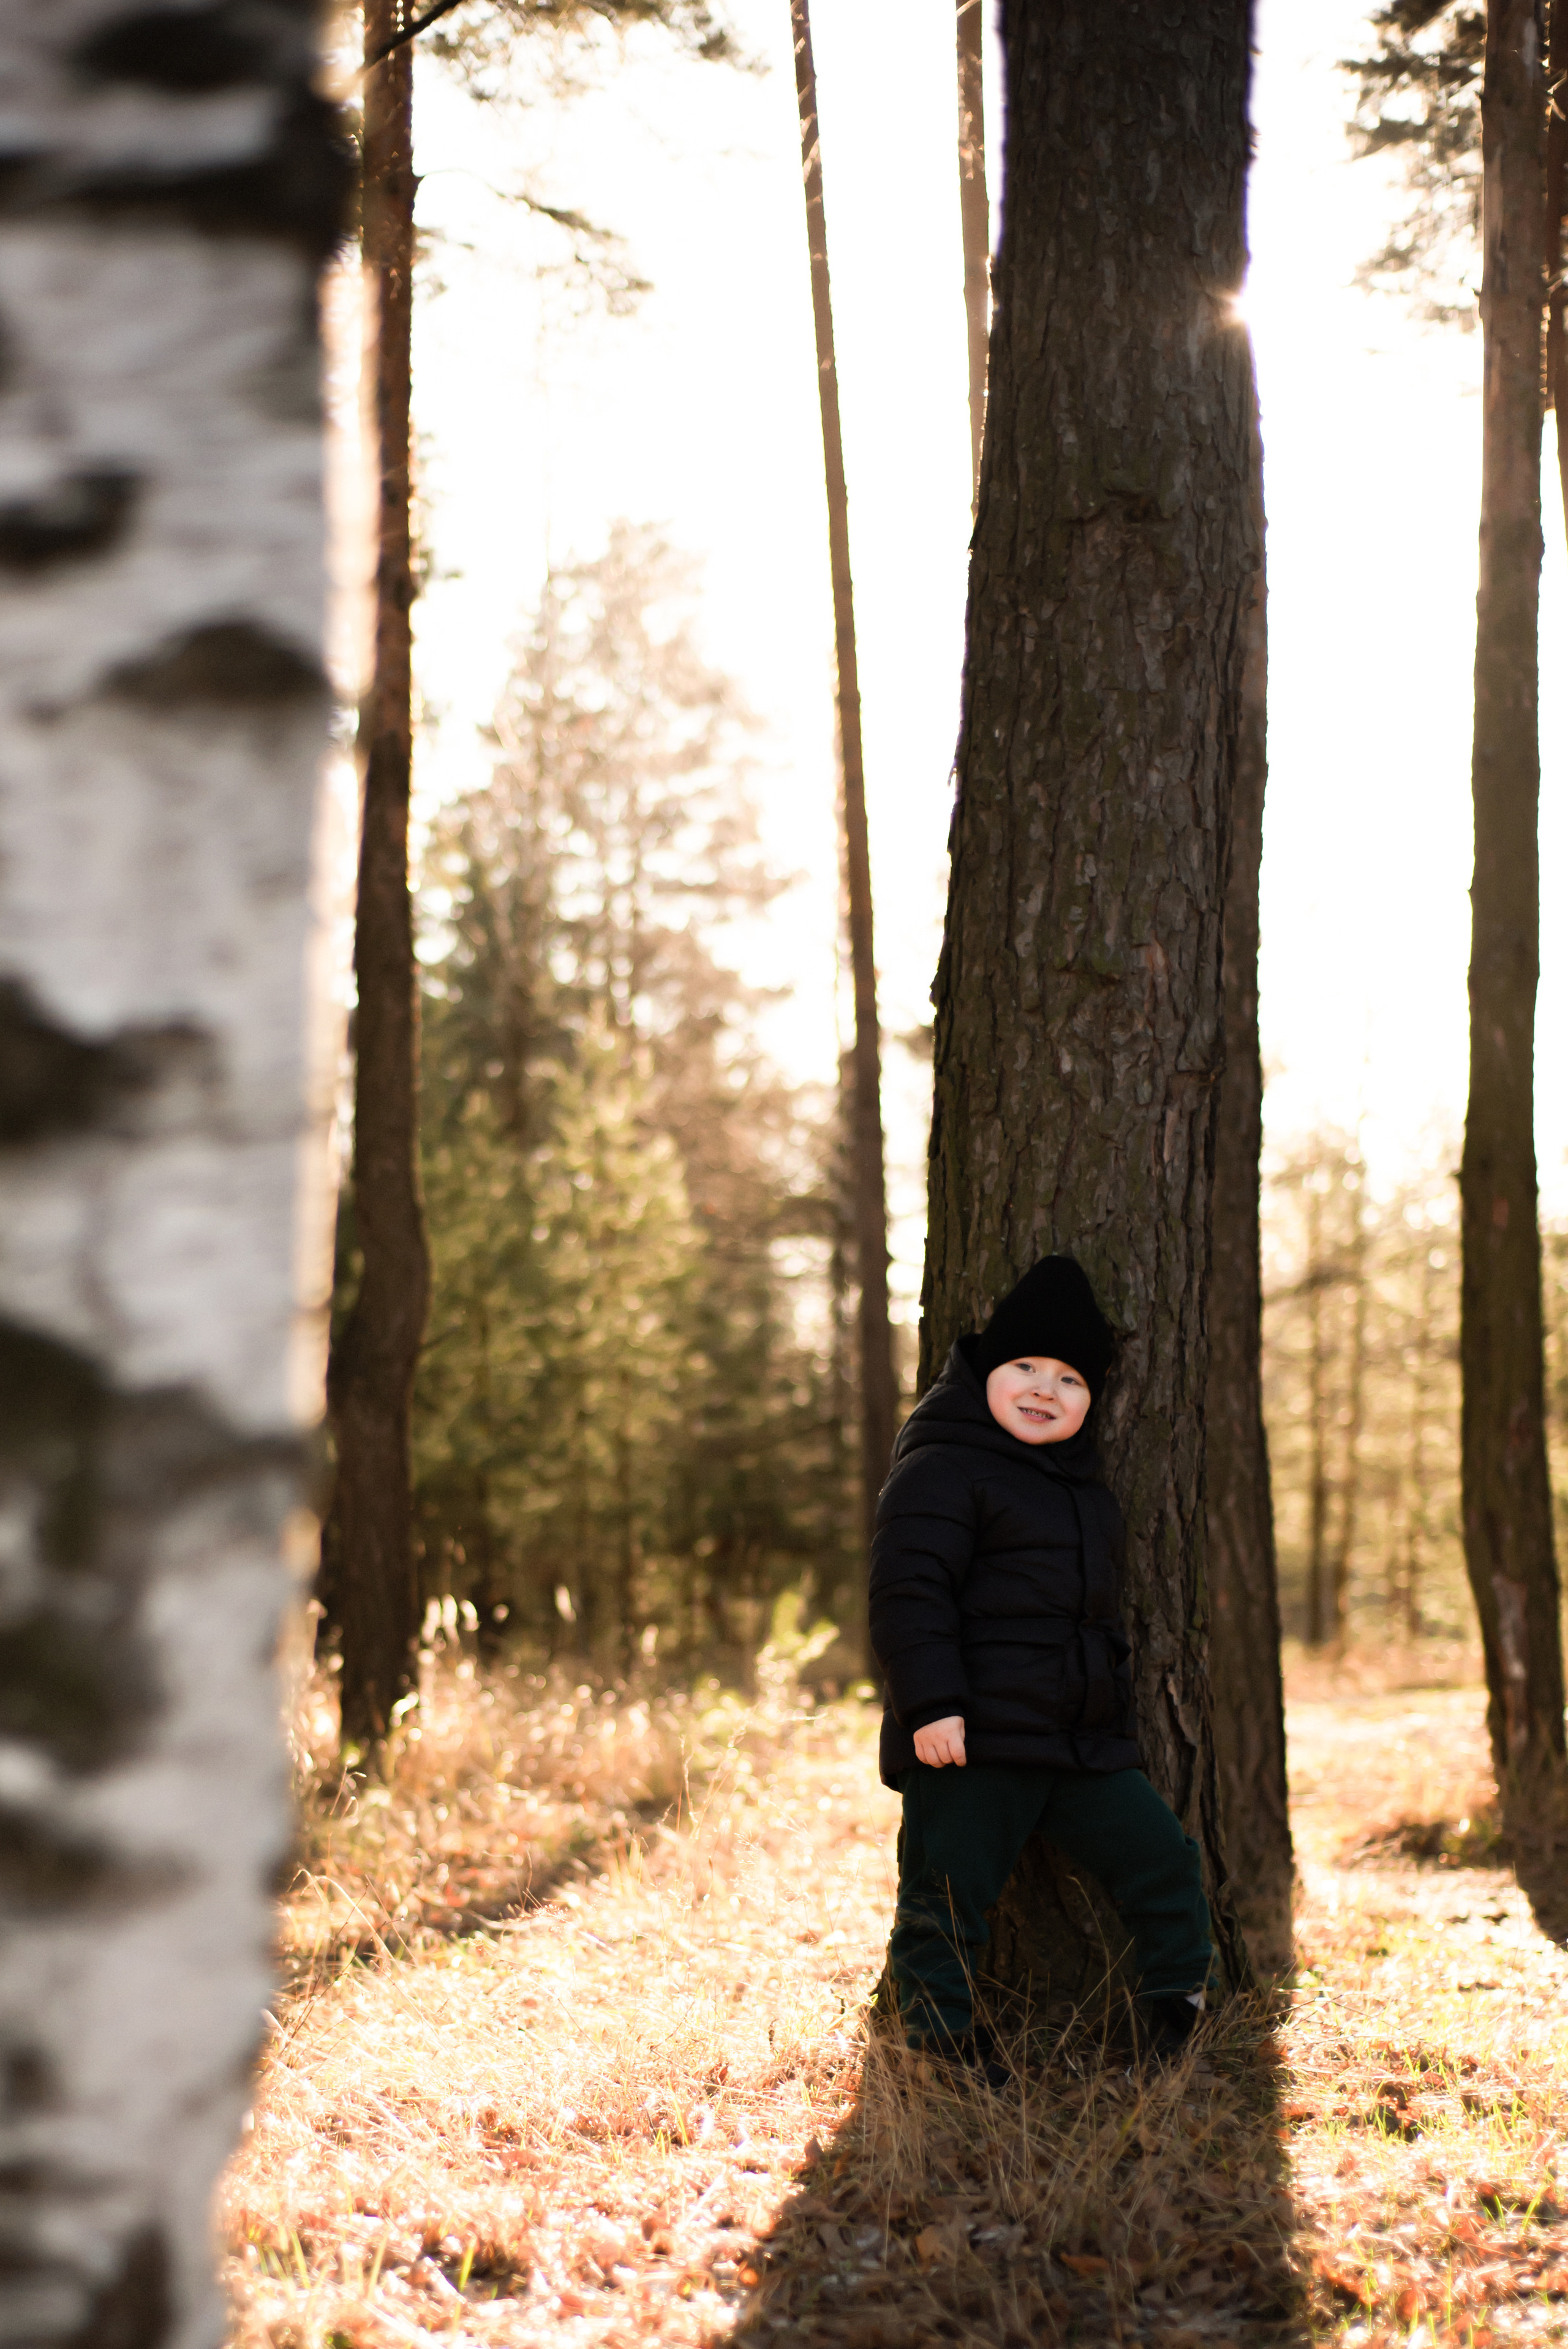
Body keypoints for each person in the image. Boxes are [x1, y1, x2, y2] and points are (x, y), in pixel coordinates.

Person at [869, 1255, 1212, 2078]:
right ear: (985, 1370)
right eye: (1024, 1366)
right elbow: (908, 1592)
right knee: (947, 1896)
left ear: (1092, 1399)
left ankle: (1177, 2009)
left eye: (1070, 1379)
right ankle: (939, 2047)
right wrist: (931, 1705)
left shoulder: (1085, 1491)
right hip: (973, 1739)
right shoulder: (944, 1466)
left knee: (1163, 1857)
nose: (1044, 1389)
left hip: (1077, 1743)